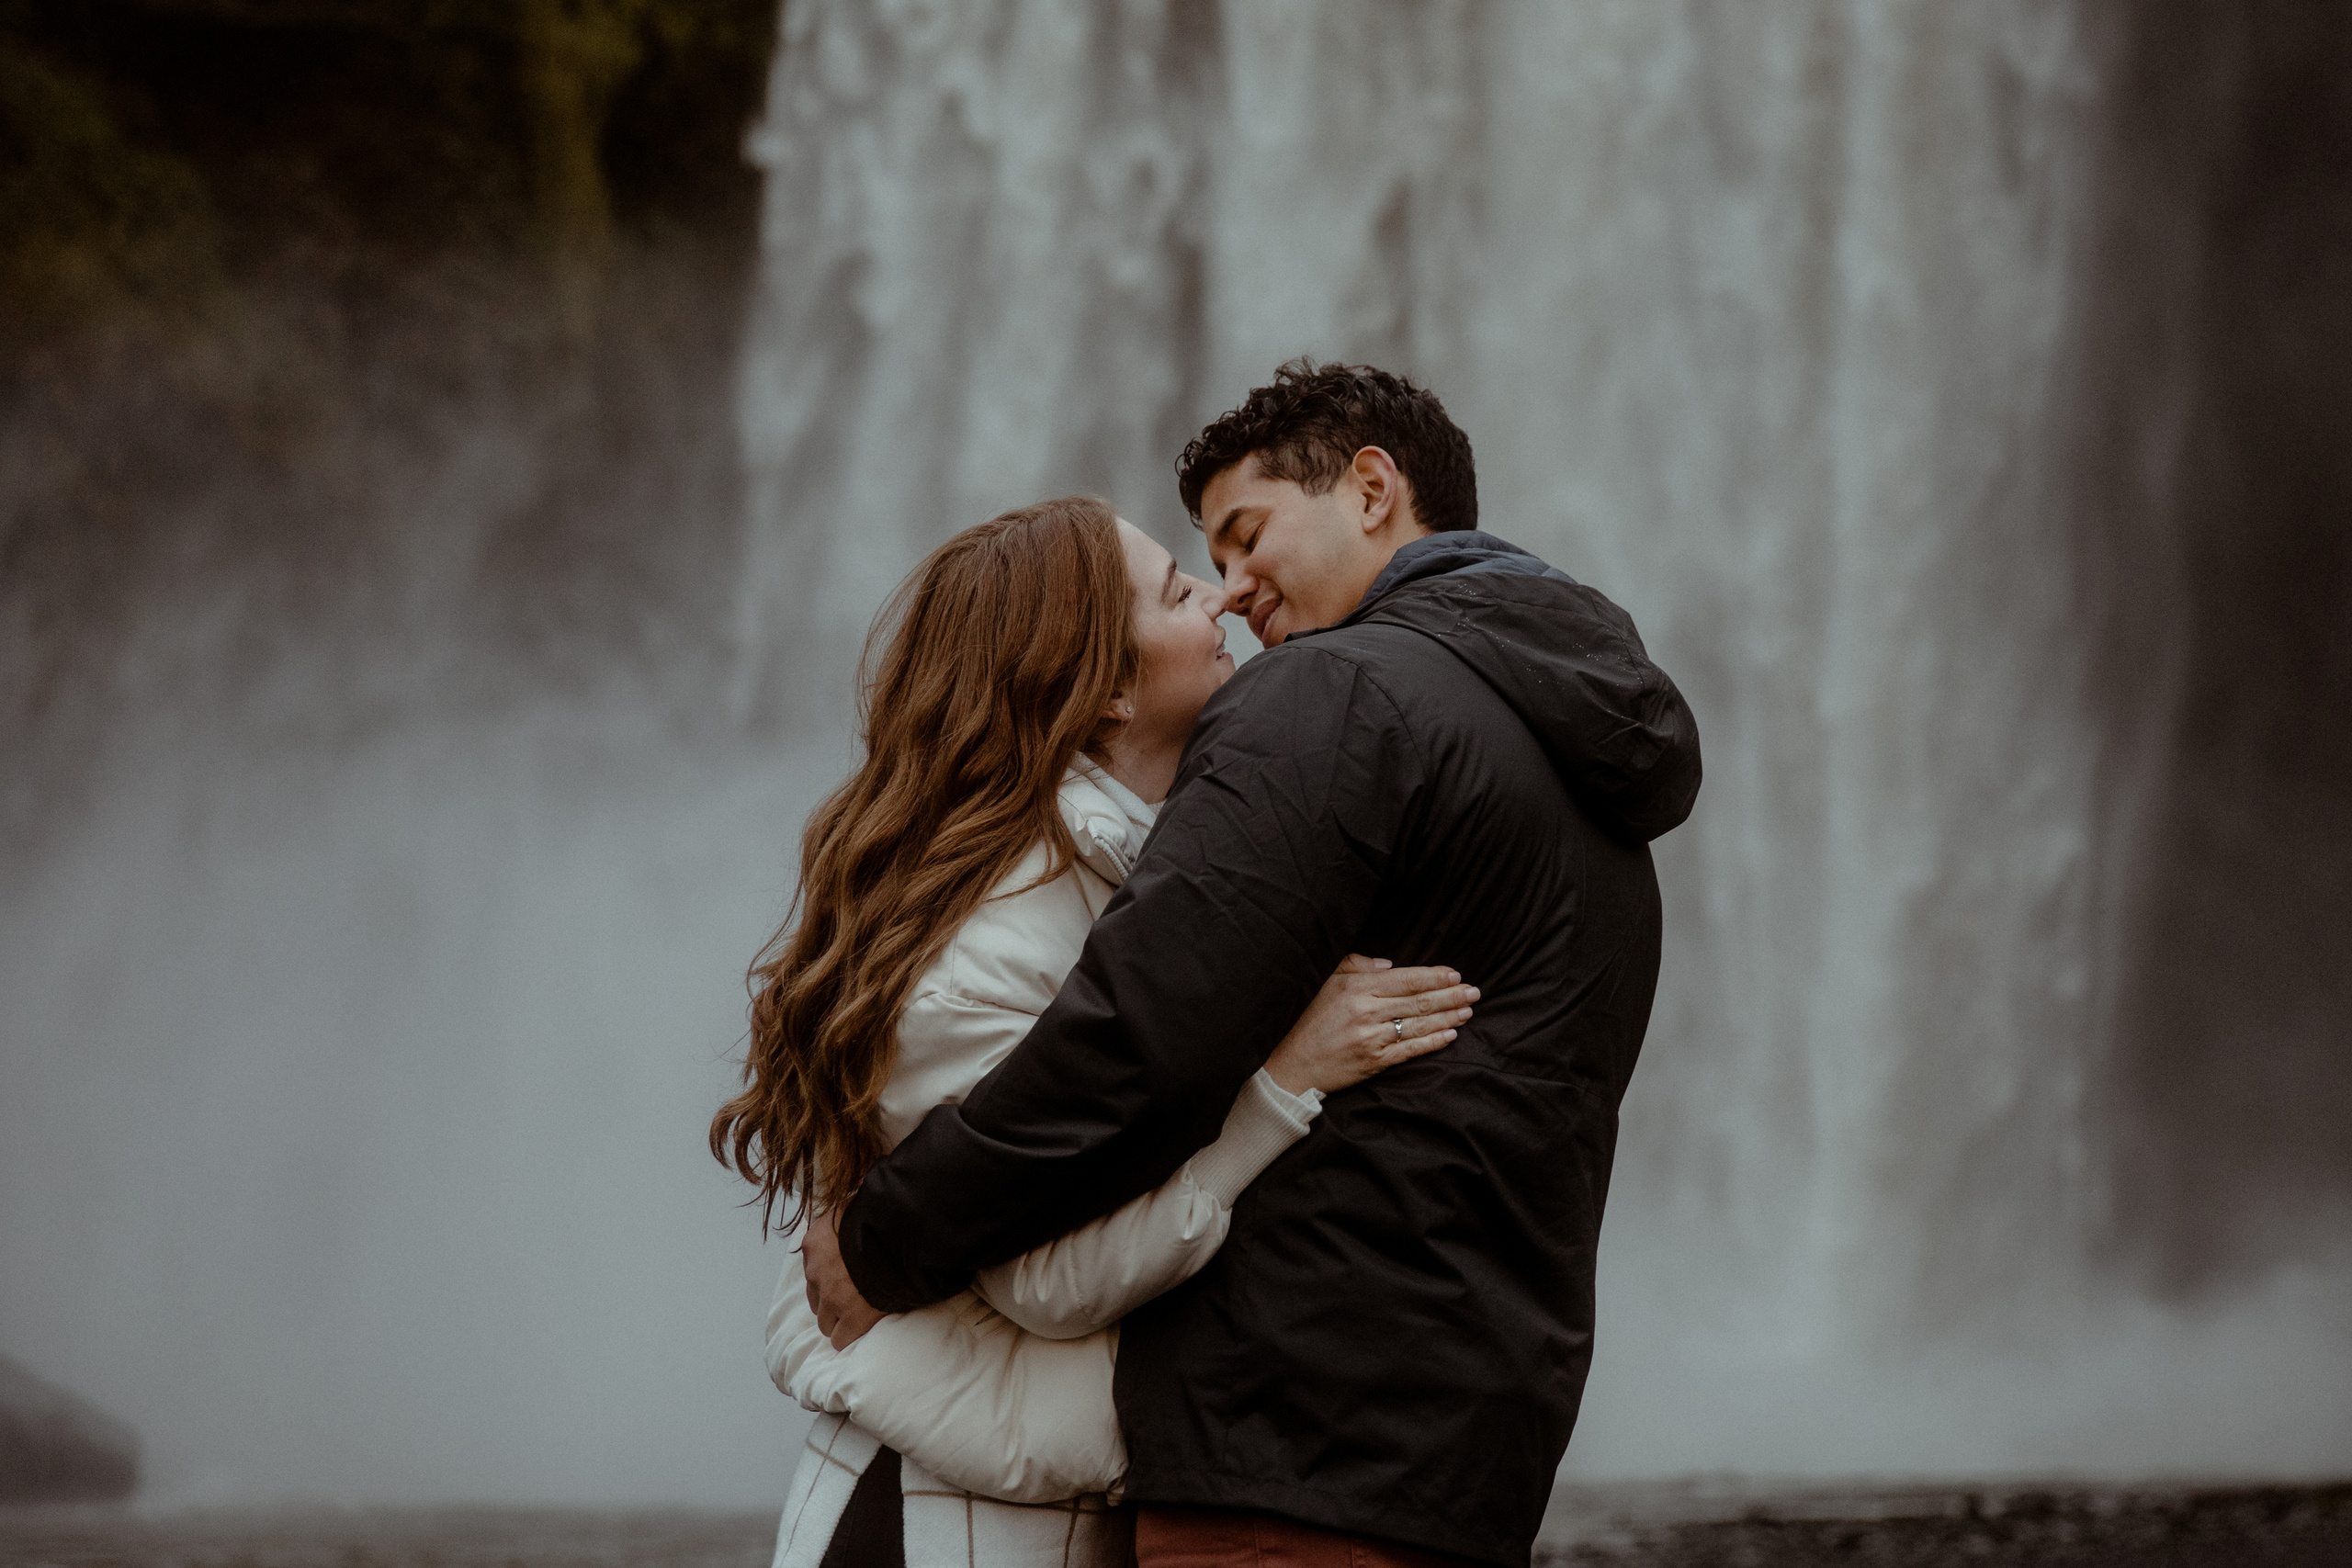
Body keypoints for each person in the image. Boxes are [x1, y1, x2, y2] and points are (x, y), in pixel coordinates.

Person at [804, 362, 1704, 1568]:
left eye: (1244, 535)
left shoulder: (1332, 693)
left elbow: (1135, 1042)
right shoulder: (1580, 755)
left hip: (1288, 1429)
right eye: (1203, 566)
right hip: (1473, 1435)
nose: (1231, 592)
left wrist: (883, 1236)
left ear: (1374, 489)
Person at [712, 495, 1478, 1568]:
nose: (1222, 599)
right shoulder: (988, 936)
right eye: (1177, 590)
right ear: (1107, 690)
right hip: (936, 1521)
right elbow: (1050, 1280)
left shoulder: (1156, 876)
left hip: (1062, 1505)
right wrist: (1283, 1082)